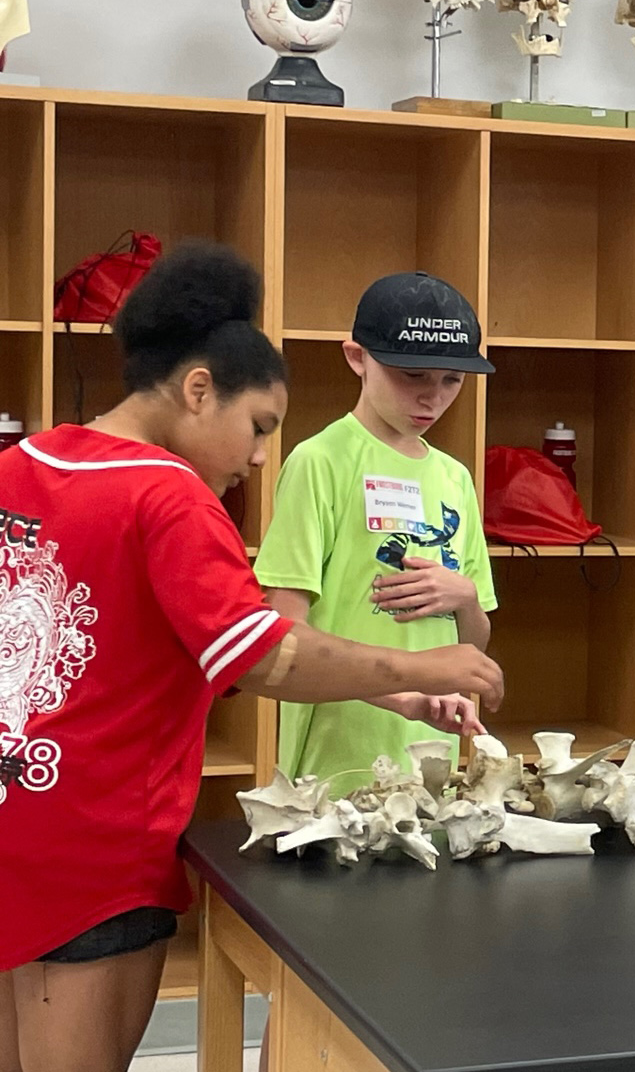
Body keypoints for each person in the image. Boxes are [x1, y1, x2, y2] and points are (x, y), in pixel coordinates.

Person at [0, 244, 502, 1072]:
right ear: (199, 390)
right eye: (259, 427)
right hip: (98, 844)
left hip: (23, 809)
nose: (260, 456)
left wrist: (401, 696)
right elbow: (261, 658)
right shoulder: (168, 494)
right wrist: (424, 669)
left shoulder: (23, 464)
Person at [258, 273, 498, 796]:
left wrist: (466, 598)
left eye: (452, 381)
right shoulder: (319, 462)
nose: (432, 398)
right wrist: (402, 695)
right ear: (356, 357)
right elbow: (282, 634)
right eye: (412, 375)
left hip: (432, 757)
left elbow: (471, 645)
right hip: (337, 758)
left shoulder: (455, 477)